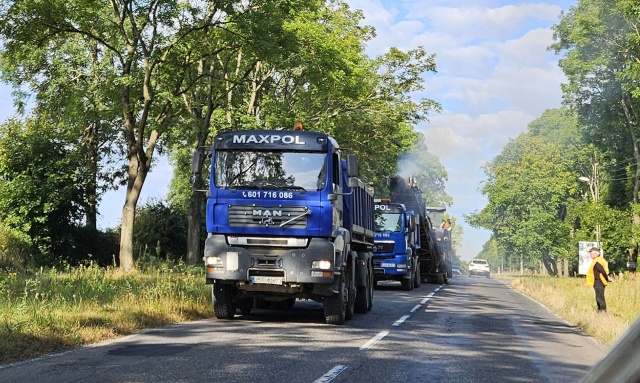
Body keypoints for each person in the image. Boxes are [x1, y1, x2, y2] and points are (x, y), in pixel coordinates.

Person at [585, 247, 609, 312]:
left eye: (591, 253)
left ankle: (603, 311)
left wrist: (607, 278)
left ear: (595, 253)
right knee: (598, 297)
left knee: (600, 297)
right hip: (597, 282)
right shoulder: (597, 260)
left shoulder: (598, 261)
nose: (590, 254)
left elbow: (603, 271)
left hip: (600, 281)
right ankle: (600, 310)